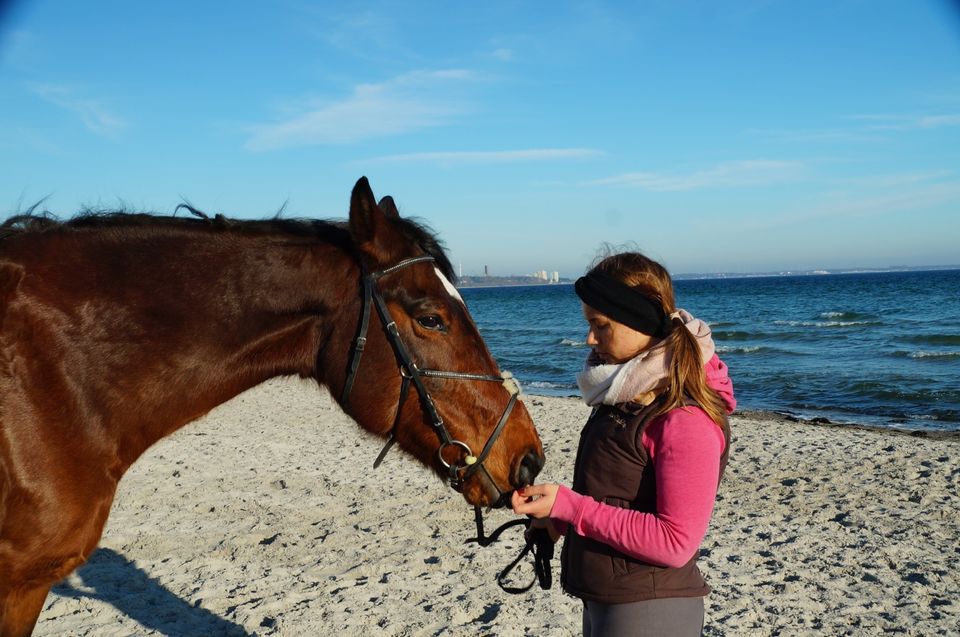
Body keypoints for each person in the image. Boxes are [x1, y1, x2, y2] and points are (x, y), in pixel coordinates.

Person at [511, 251, 736, 637]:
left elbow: (675, 542)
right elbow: (616, 497)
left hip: (651, 608)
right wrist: (557, 520)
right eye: (588, 324)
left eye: (601, 325)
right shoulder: (625, 398)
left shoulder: (684, 418)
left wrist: (570, 505)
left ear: (640, 322)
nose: (589, 338)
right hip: (610, 599)